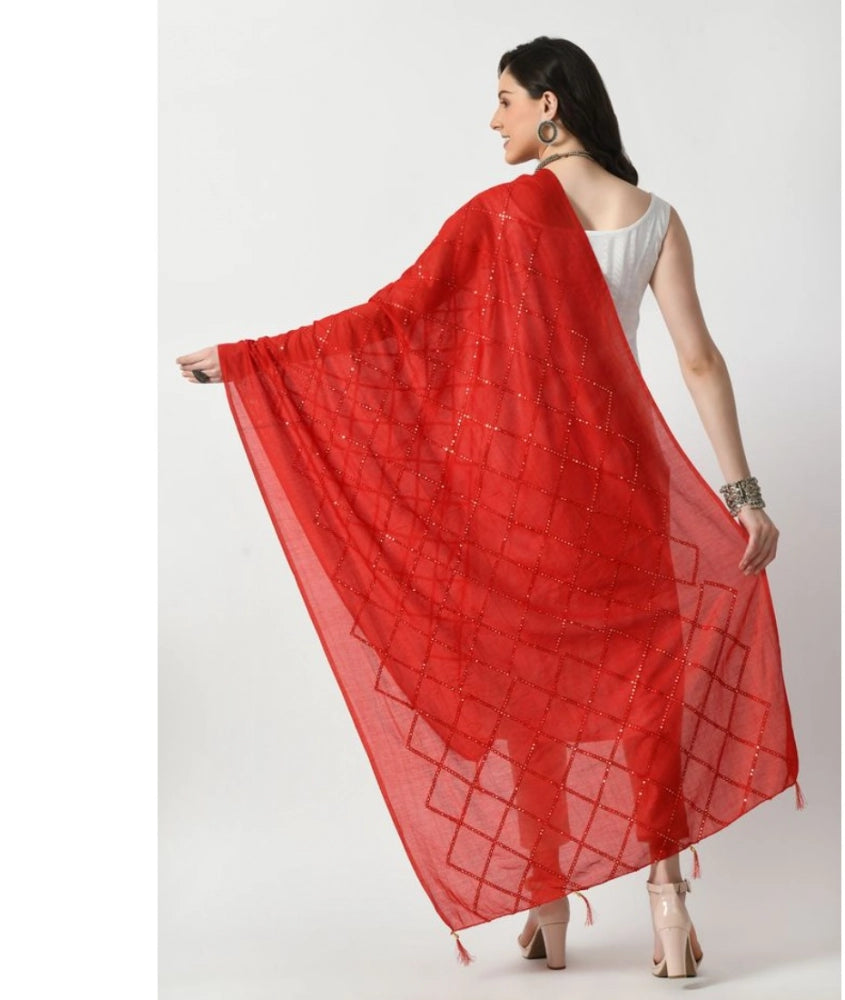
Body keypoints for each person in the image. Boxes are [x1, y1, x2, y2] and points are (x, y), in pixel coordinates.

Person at [177, 36, 797, 980]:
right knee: (648, 689)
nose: (492, 119)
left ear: (550, 105)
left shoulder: (500, 218)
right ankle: (669, 906)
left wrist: (256, 361)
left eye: (505, 99)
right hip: (627, 487)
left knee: (530, 690)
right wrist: (743, 496)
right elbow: (699, 359)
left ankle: (548, 902)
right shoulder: (657, 219)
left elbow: (392, 321)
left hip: (524, 498)